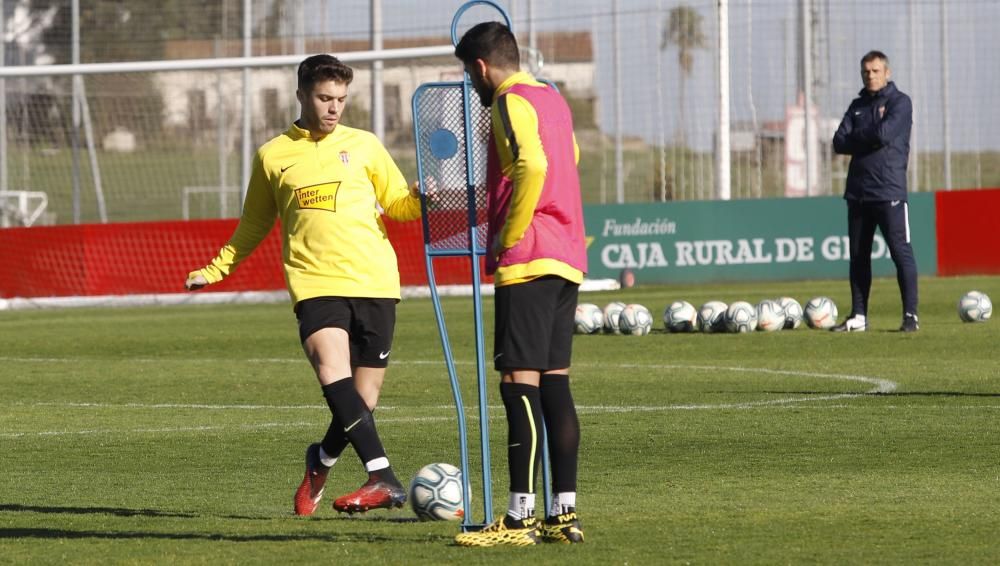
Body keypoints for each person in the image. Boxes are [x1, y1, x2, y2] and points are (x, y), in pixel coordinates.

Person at [185, 54, 422, 516]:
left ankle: (322, 460)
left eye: (341, 99)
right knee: (331, 372)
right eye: (325, 98)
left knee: (362, 400)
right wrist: (215, 270)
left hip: (375, 282)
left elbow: (398, 206)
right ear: (301, 95)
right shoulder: (274, 155)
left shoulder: (367, 145)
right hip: (315, 284)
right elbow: (253, 224)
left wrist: (418, 198)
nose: (334, 108)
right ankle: (382, 476)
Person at [452, 22, 588, 547]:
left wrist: (509, 231)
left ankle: (518, 518)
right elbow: (568, 158)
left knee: (518, 386)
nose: (472, 84)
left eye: (470, 73)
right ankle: (563, 514)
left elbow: (533, 163)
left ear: (482, 68)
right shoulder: (552, 96)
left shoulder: (508, 101)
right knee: (554, 384)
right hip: (567, 255)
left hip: (529, 257)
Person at [831, 50, 919, 333]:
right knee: (858, 256)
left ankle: (910, 316)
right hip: (858, 192)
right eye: (866, 71)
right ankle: (858, 316)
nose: (870, 75)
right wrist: (868, 134)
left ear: (887, 73)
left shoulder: (900, 103)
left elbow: (883, 135)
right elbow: (838, 142)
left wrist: (861, 134)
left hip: (889, 191)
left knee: (899, 252)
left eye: (876, 70)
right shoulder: (856, 105)